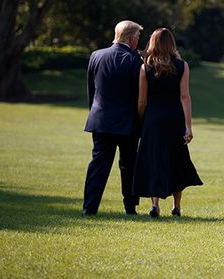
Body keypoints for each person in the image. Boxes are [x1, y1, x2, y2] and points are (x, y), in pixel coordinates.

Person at [133, 28, 203, 218]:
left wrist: (142, 121)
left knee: (154, 160)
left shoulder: (145, 67)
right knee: (176, 160)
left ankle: (155, 205)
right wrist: (188, 126)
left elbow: (142, 101)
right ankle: (176, 206)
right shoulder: (182, 66)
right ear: (171, 44)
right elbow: (184, 96)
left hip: (153, 121)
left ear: (153, 43)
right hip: (174, 119)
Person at [82, 20, 143, 216]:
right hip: (127, 122)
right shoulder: (135, 60)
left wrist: (94, 113)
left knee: (98, 166)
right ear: (132, 39)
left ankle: (89, 208)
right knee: (129, 166)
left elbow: (92, 92)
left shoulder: (96, 56)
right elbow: (138, 95)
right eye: (138, 37)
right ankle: (130, 208)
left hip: (100, 120)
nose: (139, 40)